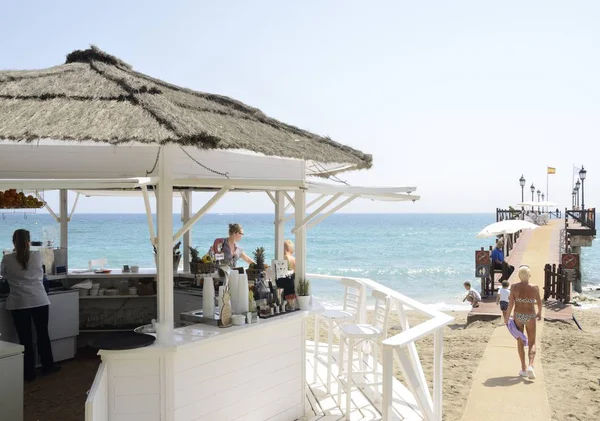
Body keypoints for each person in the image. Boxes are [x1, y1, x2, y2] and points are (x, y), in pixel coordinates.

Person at [0, 229, 60, 381]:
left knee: (24, 339)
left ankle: (28, 373)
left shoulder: (7, 259)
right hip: (39, 299)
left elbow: (4, 275)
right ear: (29, 241)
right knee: (42, 334)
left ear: (13, 242)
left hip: (18, 303)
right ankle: (47, 366)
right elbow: (41, 273)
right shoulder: (37, 255)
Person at [506, 265, 542, 379]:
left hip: (518, 315)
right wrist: (539, 312)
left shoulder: (514, 287)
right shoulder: (534, 287)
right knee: (532, 342)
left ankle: (523, 368)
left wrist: (506, 317)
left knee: (520, 341)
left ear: (519, 275)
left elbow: (511, 304)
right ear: (529, 275)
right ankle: (531, 365)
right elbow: (539, 303)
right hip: (530, 315)